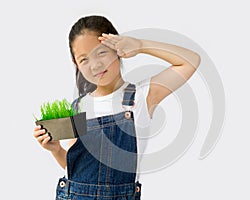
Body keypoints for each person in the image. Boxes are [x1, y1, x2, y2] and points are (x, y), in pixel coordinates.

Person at [33, 15, 200, 200]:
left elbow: (190, 61)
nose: (95, 65)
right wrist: (56, 150)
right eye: (84, 59)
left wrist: (140, 45)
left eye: (101, 52)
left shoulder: (142, 97)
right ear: (76, 64)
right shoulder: (79, 106)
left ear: (117, 48)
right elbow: (78, 171)